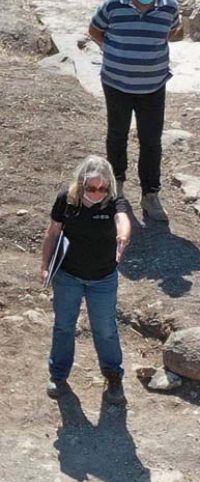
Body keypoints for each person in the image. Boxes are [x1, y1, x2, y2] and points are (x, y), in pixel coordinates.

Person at [88, 0, 183, 222]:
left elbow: (175, 31)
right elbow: (95, 30)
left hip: (153, 86)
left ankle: (150, 194)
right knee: (117, 135)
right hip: (116, 83)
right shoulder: (113, 5)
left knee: (151, 140)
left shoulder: (169, 6)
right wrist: (116, 52)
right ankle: (116, 189)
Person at [40, 156, 132, 404]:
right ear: (81, 185)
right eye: (92, 188)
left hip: (103, 278)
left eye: (102, 188)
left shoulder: (114, 201)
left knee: (105, 329)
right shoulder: (66, 200)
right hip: (68, 275)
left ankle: (113, 376)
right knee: (64, 326)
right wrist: (45, 265)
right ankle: (58, 376)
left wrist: (123, 237)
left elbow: (122, 220)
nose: (97, 193)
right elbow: (53, 232)